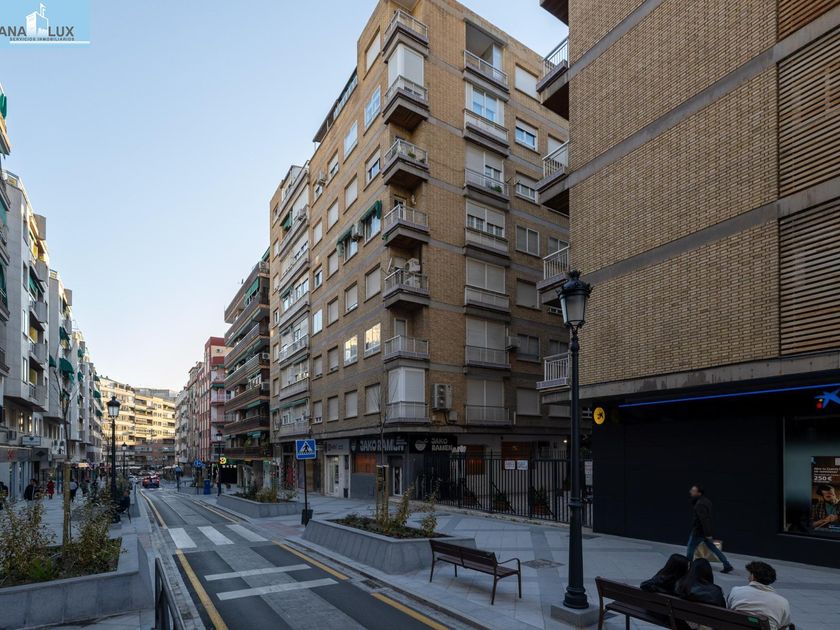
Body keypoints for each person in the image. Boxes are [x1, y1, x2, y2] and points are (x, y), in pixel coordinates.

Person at [727, 561, 792, 630]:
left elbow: (729, 610)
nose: (748, 577)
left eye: (749, 574)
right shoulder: (783, 602)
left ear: (752, 576)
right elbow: (783, 626)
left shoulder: (736, 591)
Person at [686, 484, 734, 573]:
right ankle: (727, 565)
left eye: (693, 491)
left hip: (699, 531)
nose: (690, 492)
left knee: (690, 549)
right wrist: (708, 533)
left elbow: (704, 520)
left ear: (699, 493)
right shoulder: (706, 501)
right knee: (713, 548)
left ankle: (688, 566)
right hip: (705, 531)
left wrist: (707, 534)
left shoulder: (700, 504)